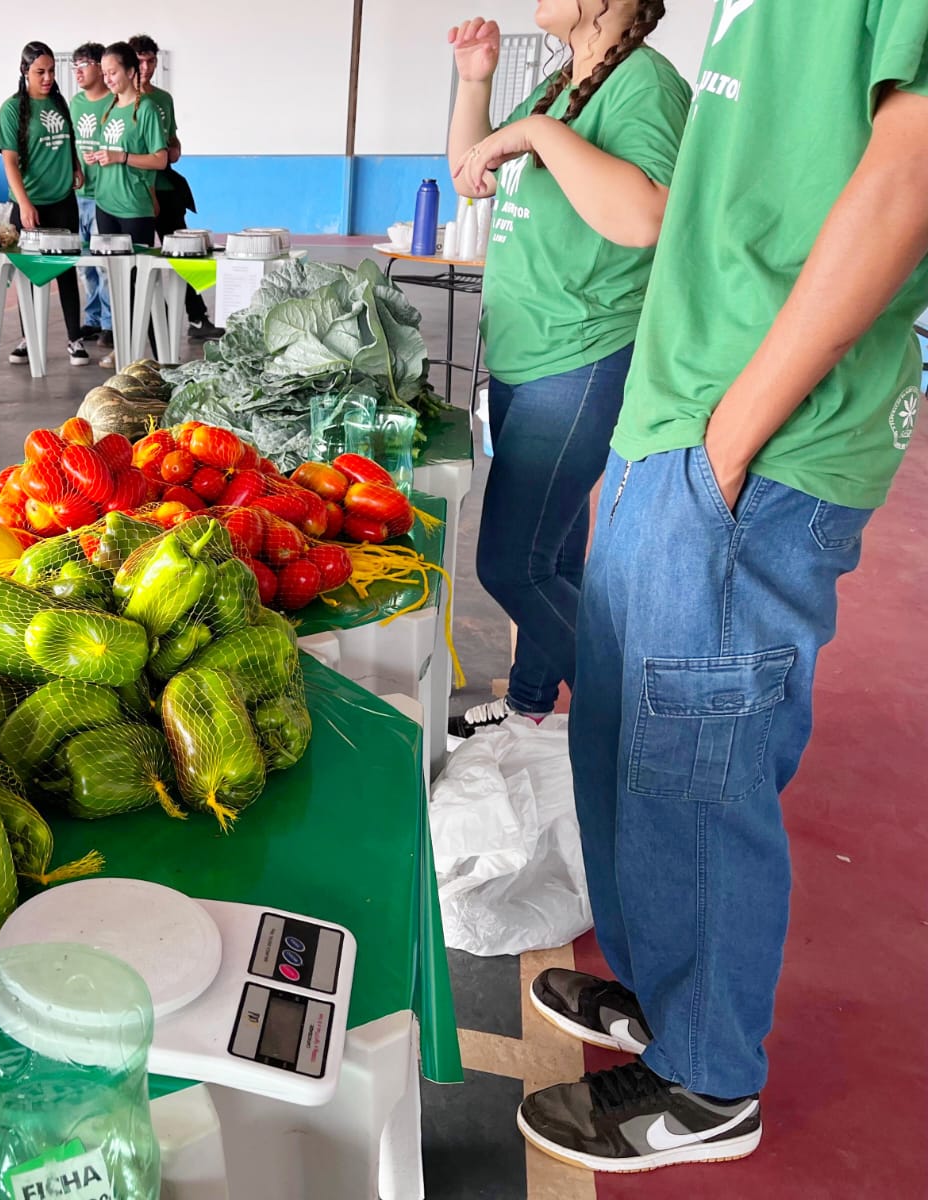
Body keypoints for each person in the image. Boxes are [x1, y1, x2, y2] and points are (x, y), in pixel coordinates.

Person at [521, 0, 928, 1175]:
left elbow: (906, 177)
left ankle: (706, 1082)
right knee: (622, 743)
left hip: (755, 439)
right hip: (680, 422)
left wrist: (730, 438)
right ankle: (662, 995)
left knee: (696, 769)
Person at [444, 3, 687, 739]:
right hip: (525, 352)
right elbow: (472, 175)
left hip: (580, 354)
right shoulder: (560, 85)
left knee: (513, 565)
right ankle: (530, 703)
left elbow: (646, 217)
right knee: (552, 555)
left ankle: (641, 729)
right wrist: (476, 84)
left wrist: (537, 133)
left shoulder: (643, 83)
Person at [0, 41, 89, 368]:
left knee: (66, 271)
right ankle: (29, 337)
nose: (48, 77)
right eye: (40, 72)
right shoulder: (12, 109)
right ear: (25, 71)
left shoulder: (59, 102)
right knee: (31, 274)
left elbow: (69, 141)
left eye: (51, 71)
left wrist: (75, 166)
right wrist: (24, 203)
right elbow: (10, 162)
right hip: (30, 204)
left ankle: (74, 338)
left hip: (62, 200)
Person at [129, 34, 219, 342]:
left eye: (151, 61)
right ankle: (129, 325)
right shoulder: (119, 101)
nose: (146, 67)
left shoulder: (163, 99)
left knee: (184, 252)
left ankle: (197, 317)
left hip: (165, 186)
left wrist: (174, 147)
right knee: (134, 260)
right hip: (134, 189)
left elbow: (171, 140)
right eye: (140, 61)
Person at [87, 41, 168, 371]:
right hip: (105, 204)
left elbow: (160, 159)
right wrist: (99, 158)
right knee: (115, 285)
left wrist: (121, 157)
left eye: (113, 72)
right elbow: (112, 152)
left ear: (131, 71)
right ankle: (124, 350)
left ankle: (160, 355)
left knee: (140, 283)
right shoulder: (108, 108)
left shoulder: (146, 109)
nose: (107, 79)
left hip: (134, 208)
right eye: (104, 73)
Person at [70, 42, 113, 345]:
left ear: (100, 67)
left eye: (84, 65)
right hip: (78, 195)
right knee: (85, 265)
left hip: (105, 196)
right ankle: (93, 320)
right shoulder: (74, 103)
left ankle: (110, 323)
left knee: (104, 262)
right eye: (75, 66)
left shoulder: (114, 102)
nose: (78, 72)